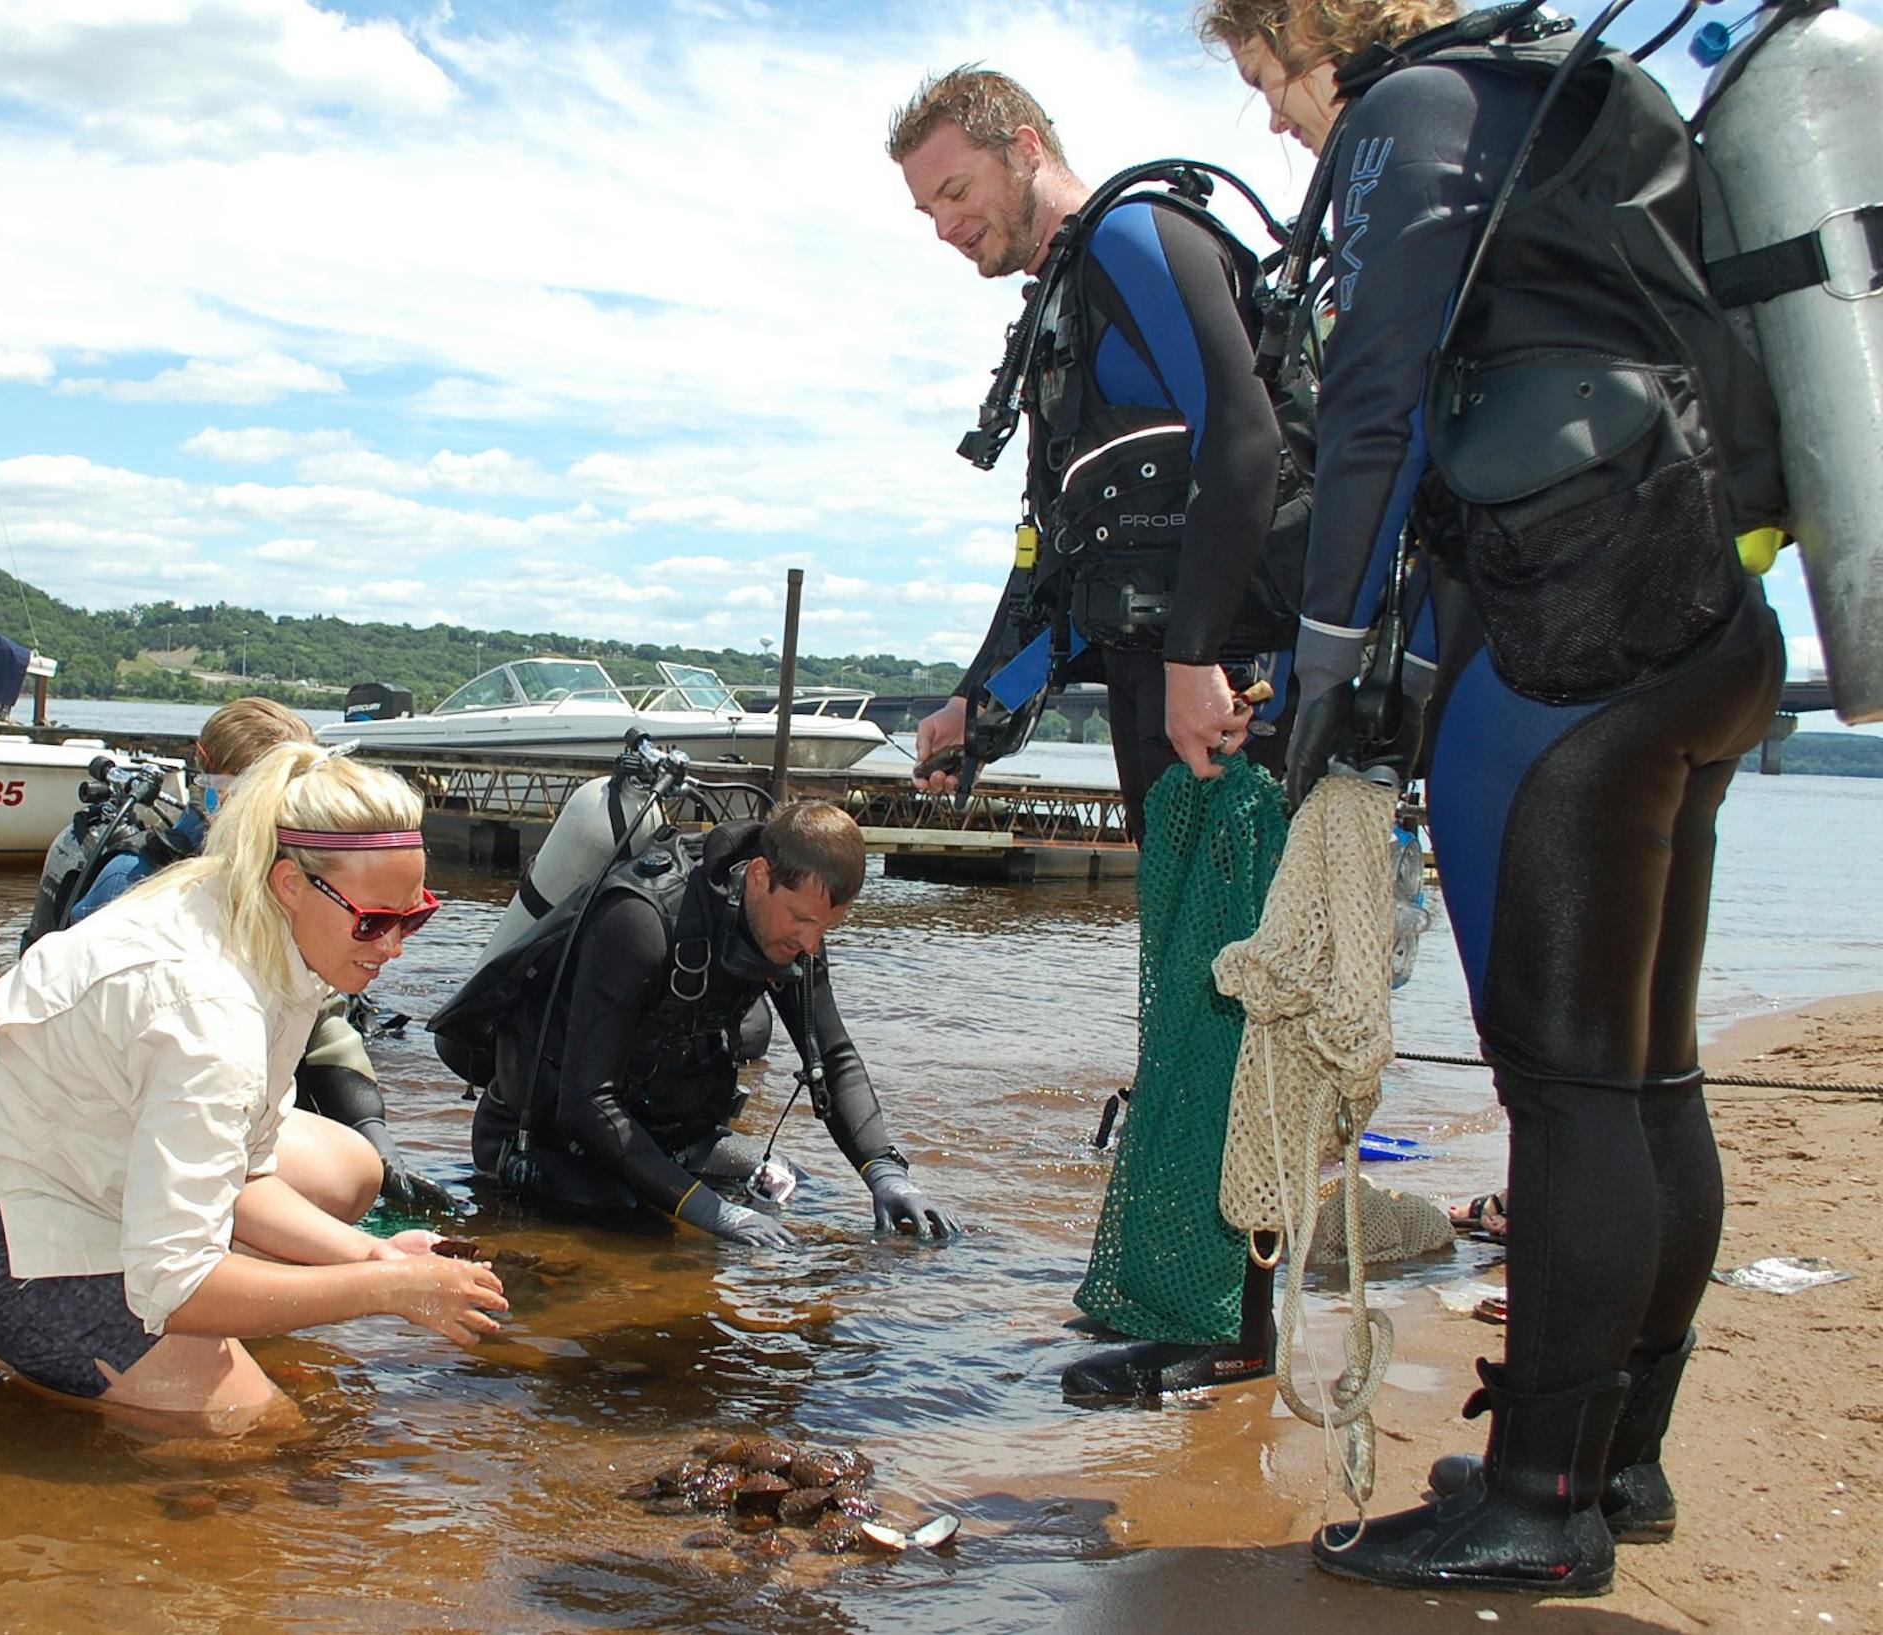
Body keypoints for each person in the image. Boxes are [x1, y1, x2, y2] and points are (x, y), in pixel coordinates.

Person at [1194, 0, 1787, 1595]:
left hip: (1560, 636)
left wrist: (1319, 663)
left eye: (1265, 75)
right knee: (1646, 1077)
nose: (1271, 118)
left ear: (1315, 25)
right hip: (1705, 616)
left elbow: (1377, 397)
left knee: (1570, 1087)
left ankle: (1536, 1501)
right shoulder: (1587, 94)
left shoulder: (1418, 108)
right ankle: (1616, 1456)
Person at [888, 66, 1307, 1397]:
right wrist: (978, 704)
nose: (946, 224)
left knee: (1225, 996)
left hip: (1223, 696)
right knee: (1192, 993)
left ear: (1022, 151)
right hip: (1157, 685)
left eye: (956, 190)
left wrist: (1198, 659)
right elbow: (1068, 559)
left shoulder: (1134, 237)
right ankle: (1206, 1302)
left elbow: (1249, 443)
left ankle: (1230, 1330)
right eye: (926, 208)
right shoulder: (1060, 314)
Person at [0, 743, 508, 1430]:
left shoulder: (262, 924)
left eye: (414, 917)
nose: (395, 947)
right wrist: (385, 1290)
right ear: (290, 882)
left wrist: (372, 1251)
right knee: (256, 1427)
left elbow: (247, 1172)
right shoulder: (209, 1010)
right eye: (374, 921)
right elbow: (175, 1287)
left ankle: (116, 1353)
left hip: (89, 1162)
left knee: (349, 1171)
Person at [27, 696, 454, 1214]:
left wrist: (372, 1130)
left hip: (236, 1090)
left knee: (350, 1170)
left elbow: (322, 1018)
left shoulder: (297, 894)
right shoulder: (143, 890)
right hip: (115, 1115)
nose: (393, 944)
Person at [465, 799, 957, 1246]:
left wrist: (887, 1173)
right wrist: (714, 1213)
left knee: (785, 1186)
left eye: (826, 929)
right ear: (761, 876)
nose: (812, 945)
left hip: (669, 1137)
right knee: (639, 1222)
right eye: (803, 922)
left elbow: (833, 1058)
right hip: (553, 1140)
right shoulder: (641, 920)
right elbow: (586, 1102)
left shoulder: (792, 931)